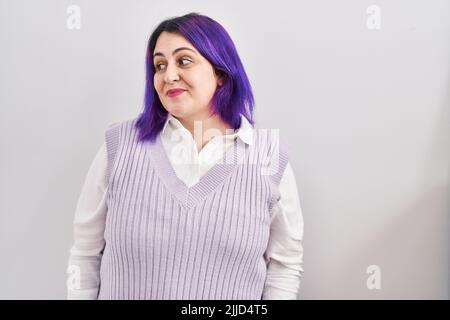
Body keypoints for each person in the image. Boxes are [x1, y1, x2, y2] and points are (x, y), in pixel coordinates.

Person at [67, 12, 304, 300]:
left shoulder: (268, 156)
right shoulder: (119, 145)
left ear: (220, 73)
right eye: (159, 65)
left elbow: (284, 266)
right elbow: (85, 253)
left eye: (184, 61)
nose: (168, 75)